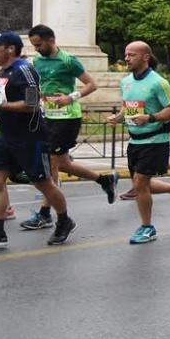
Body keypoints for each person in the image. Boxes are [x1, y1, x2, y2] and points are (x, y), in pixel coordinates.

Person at [0, 32, 77, 249]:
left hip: (29, 138)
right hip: (6, 137)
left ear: (10, 49)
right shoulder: (5, 72)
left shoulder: (24, 69)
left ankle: (64, 220)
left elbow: (32, 104)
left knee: (43, 183)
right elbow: (8, 102)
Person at [23, 25, 117, 233]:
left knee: (51, 164)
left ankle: (45, 214)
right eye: (34, 46)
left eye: (39, 45)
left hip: (67, 118)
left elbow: (91, 84)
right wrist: (31, 107)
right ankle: (105, 180)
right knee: (63, 164)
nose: (36, 49)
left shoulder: (68, 60)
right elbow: (35, 87)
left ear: (51, 40)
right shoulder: (37, 61)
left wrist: (70, 97)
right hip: (47, 116)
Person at [105, 41, 170, 244]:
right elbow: (128, 106)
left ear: (145, 57)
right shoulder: (126, 82)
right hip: (135, 141)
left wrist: (150, 118)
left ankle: (147, 227)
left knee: (140, 183)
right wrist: (118, 118)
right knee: (140, 184)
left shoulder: (158, 82)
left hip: (155, 140)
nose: (126, 58)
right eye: (126, 54)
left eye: (131, 55)